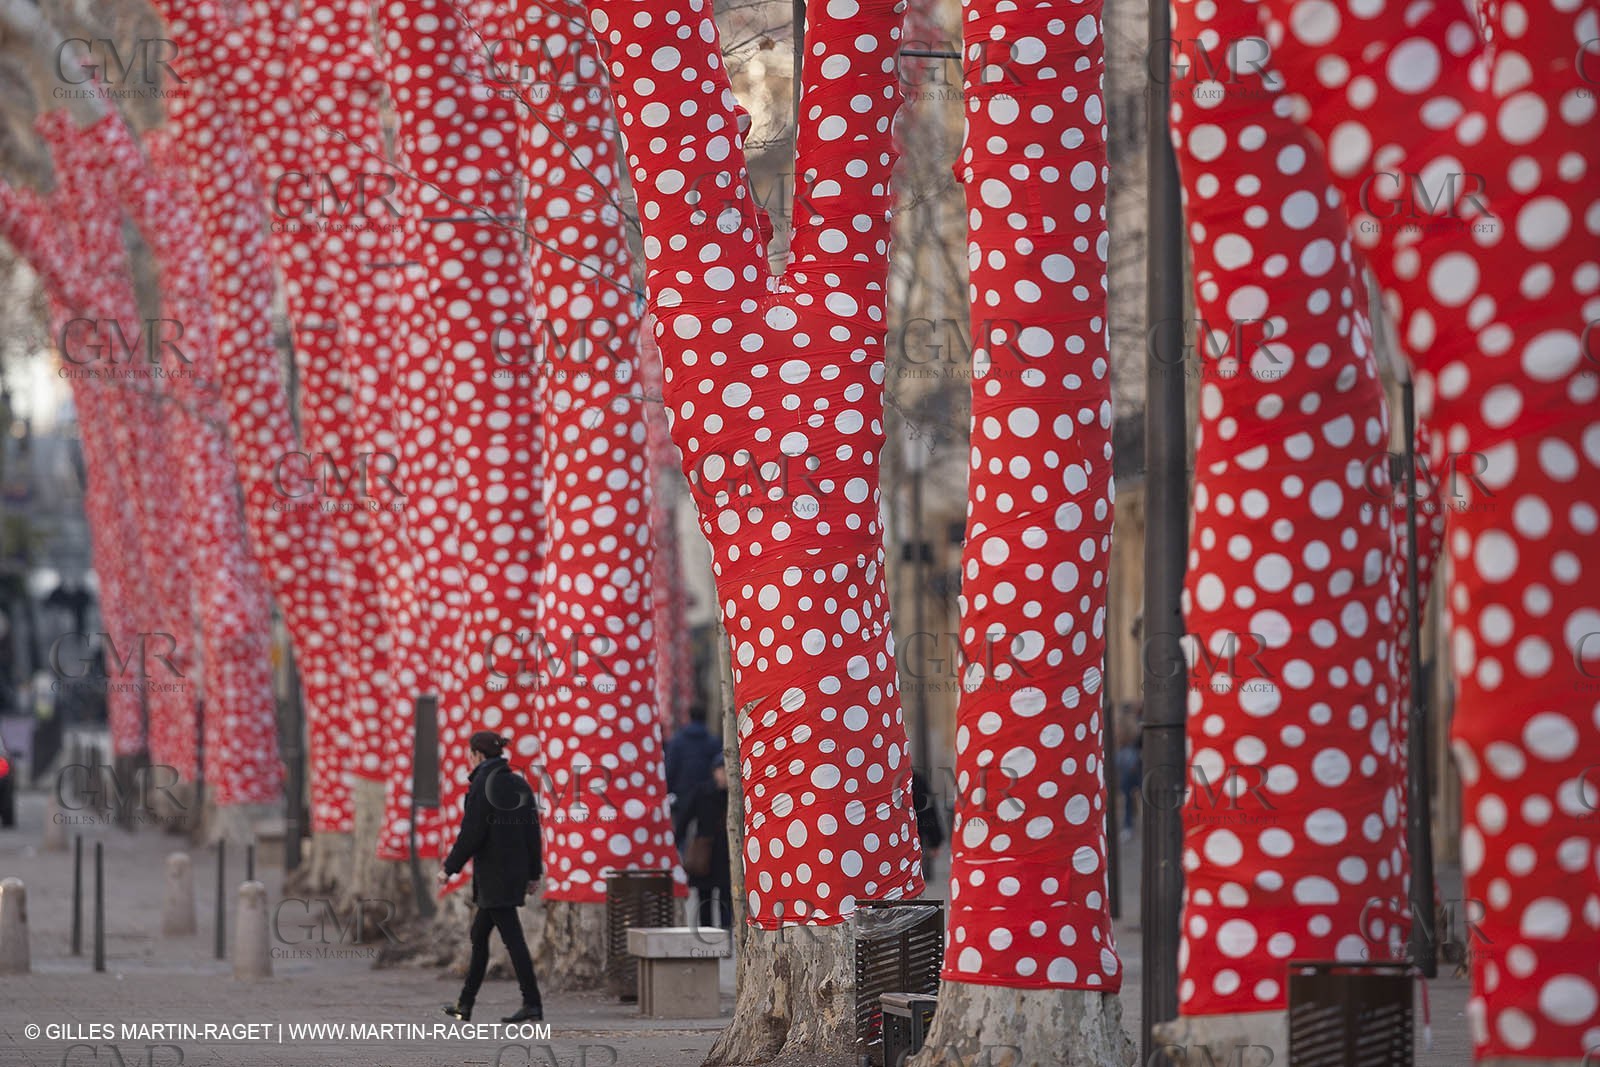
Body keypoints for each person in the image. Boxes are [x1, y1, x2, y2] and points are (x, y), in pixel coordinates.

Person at [438, 731, 544, 1023]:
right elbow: (532, 833)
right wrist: (534, 872)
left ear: (477, 755)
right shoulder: (519, 783)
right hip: (513, 873)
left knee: (513, 940)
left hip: (494, 876)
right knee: (479, 935)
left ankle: (532, 1003)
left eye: (470, 754)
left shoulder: (483, 785)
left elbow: (472, 833)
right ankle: (465, 1004)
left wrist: (449, 868)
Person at [672, 752, 732, 929]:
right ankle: (708, 934)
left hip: (727, 852)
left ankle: (725, 935)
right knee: (704, 897)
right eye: (721, 770)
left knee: (726, 897)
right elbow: (685, 819)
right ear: (714, 772)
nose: (724, 775)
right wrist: (676, 842)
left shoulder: (735, 796)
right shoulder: (701, 792)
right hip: (704, 853)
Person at [663, 703, 722, 846]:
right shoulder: (713, 741)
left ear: (689, 717)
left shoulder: (677, 741)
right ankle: (703, 862)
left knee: (681, 829)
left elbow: (670, 768)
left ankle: (685, 859)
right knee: (705, 831)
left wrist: (668, 789)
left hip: (682, 792)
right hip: (707, 795)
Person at [911, 769, 945, 880]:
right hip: (912, 839)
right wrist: (935, 840)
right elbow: (927, 810)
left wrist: (935, 840)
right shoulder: (913, 778)